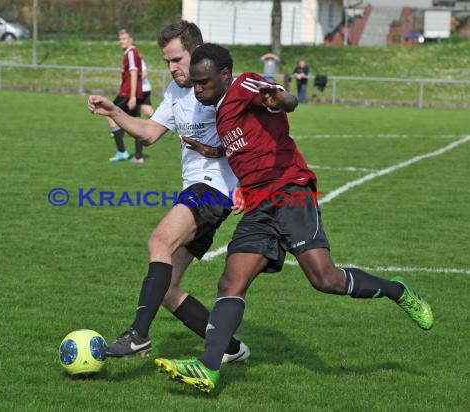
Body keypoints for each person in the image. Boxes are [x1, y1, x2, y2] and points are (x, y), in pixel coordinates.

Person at [154, 43, 434, 393]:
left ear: (224, 75)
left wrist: (279, 99)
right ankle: (208, 369)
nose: (198, 89)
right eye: (194, 83)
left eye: (204, 82)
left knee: (325, 279)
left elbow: (285, 98)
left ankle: (397, 290)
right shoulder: (222, 112)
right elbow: (245, 142)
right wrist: (215, 151)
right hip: (258, 207)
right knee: (230, 283)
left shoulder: (246, 86)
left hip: (290, 192)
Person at [87, 22, 250, 363]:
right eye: (167, 62)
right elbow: (148, 132)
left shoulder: (223, 89)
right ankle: (230, 348)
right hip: (198, 190)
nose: (173, 67)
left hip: (213, 191)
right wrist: (115, 112)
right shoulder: (177, 92)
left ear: (197, 52)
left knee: (158, 241)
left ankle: (137, 335)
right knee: (168, 289)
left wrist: (248, 185)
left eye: (178, 59)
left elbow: (257, 132)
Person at [107, 29, 145, 164]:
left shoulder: (130, 53)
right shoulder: (133, 53)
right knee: (135, 124)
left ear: (130, 39)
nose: (121, 41)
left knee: (109, 113)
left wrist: (133, 96)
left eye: (124, 38)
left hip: (127, 94)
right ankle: (139, 157)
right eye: (120, 39)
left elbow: (134, 74)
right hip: (130, 93)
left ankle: (122, 152)